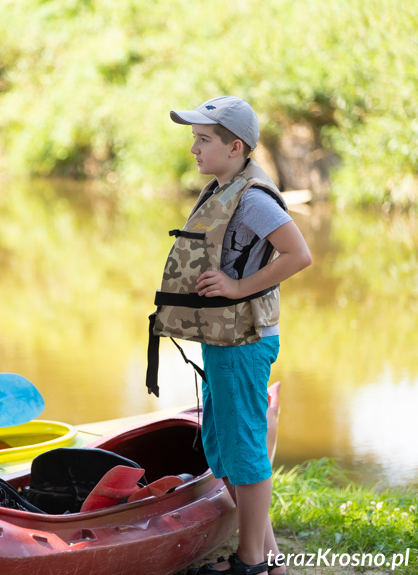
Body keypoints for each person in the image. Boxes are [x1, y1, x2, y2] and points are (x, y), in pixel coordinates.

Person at [149, 96, 311, 575]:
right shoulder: (226, 187)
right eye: (193, 139)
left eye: (203, 140)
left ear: (234, 146)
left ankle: (250, 563)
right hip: (223, 340)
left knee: (244, 452)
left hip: (243, 342)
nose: (194, 149)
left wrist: (238, 286)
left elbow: (297, 254)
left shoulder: (254, 199)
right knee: (224, 447)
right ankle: (270, 558)